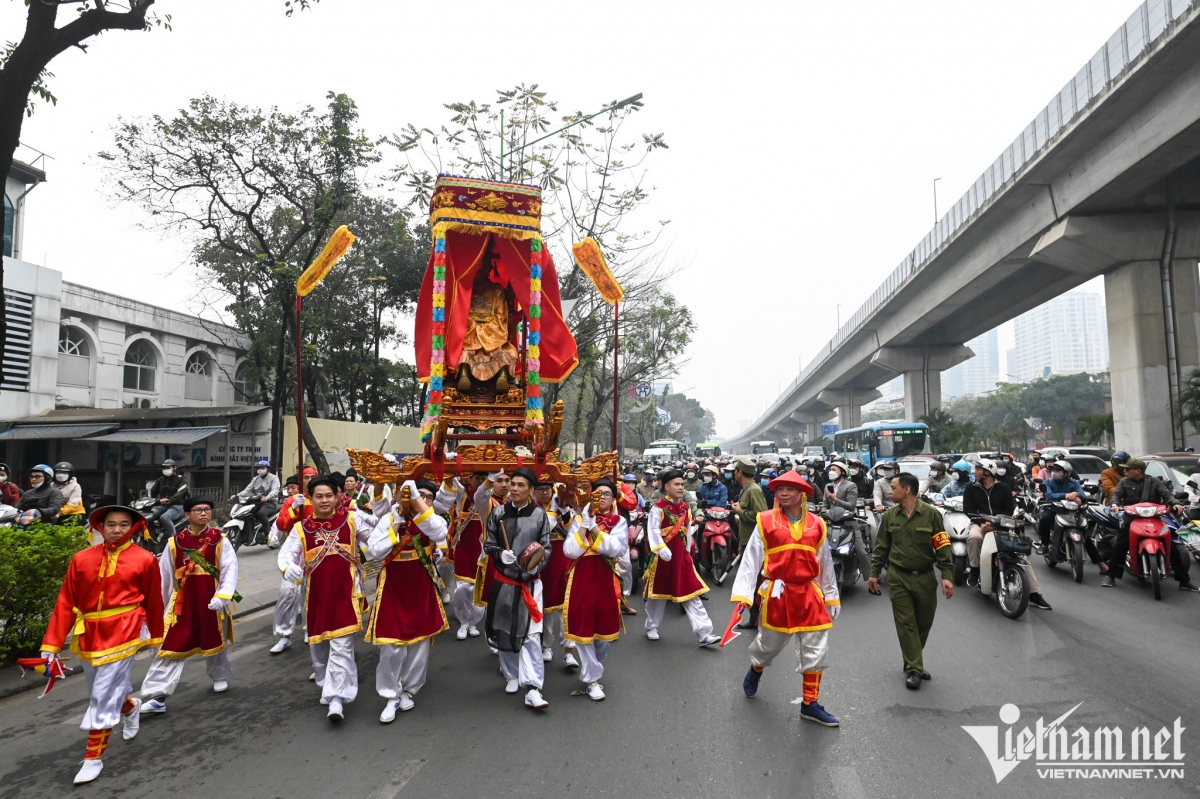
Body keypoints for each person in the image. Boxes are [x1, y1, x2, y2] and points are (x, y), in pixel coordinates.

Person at [38, 504, 164, 784]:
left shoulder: (145, 559)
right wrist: (52, 644)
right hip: (88, 634)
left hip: (124, 629)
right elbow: (66, 602)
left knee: (102, 694)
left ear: (132, 527)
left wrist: (157, 637)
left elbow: (154, 601)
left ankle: (93, 757)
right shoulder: (81, 558)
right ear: (100, 527)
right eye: (111, 524)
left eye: (123, 524)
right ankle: (130, 708)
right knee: (102, 688)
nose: (116, 529)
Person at [733, 471, 840, 726]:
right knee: (768, 645)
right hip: (777, 593)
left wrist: (831, 596)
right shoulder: (766, 521)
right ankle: (756, 669)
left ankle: (809, 704)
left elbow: (824, 562)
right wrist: (743, 596)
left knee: (816, 648)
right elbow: (751, 560)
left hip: (809, 593)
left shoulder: (817, 524)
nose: (783, 493)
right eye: (780, 489)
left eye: (790, 489)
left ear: (801, 493)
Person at [277, 476, 379, 720]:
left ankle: (337, 699)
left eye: (329, 495)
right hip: (316, 597)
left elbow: (376, 542)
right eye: (319, 496)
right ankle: (326, 682)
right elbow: (286, 554)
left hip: (346, 594)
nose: (324, 500)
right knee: (319, 647)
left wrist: (392, 520)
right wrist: (287, 567)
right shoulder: (302, 527)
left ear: (338, 497)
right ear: (311, 499)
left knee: (342, 647)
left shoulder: (352, 519)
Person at [139, 497, 238, 714]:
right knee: (171, 644)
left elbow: (230, 569)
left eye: (207, 509)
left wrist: (223, 595)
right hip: (182, 603)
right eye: (198, 510)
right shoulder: (175, 542)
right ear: (186, 515)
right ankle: (158, 695)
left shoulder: (220, 539)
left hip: (211, 598)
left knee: (214, 639)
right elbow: (165, 575)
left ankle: (219, 675)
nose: (203, 514)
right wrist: (159, 608)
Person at [365, 479, 448, 721]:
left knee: (419, 644)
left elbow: (440, 532)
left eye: (426, 495)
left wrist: (420, 504)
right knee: (391, 645)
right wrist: (398, 520)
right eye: (413, 493)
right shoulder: (391, 517)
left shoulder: (431, 517)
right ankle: (391, 694)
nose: (419, 498)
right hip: (392, 586)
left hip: (421, 587)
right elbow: (375, 551)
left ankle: (409, 690)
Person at [867, 473, 954, 690]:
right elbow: (881, 548)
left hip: (925, 578)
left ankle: (911, 659)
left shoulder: (931, 515)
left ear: (907, 489)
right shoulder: (889, 517)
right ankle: (915, 669)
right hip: (898, 577)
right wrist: (875, 573)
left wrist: (947, 576)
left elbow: (942, 546)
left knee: (923, 624)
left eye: (893, 487)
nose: (889, 491)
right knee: (906, 625)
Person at [482, 467, 553, 710]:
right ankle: (511, 674)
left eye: (521, 485)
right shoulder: (498, 514)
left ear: (531, 490)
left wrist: (532, 567)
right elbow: (489, 544)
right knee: (505, 630)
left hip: (531, 584)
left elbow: (546, 548)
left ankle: (533, 687)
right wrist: (500, 553)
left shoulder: (540, 515)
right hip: (504, 582)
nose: (514, 488)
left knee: (532, 635)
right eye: (513, 483)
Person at [563, 478, 628, 701]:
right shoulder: (578, 519)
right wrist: (584, 524)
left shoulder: (618, 521)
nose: (601, 498)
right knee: (583, 632)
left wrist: (593, 528)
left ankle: (594, 668)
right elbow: (570, 551)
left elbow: (616, 549)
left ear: (613, 499)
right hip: (581, 578)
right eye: (597, 493)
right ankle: (592, 679)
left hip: (606, 580)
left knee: (604, 634)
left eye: (607, 494)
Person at [643, 469, 720, 646]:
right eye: (676, 484)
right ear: (666, 486)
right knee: (657, 595)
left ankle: (704, 633)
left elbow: (687, 531)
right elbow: (653, 529)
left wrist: (687, 552)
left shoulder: (686, 507)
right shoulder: (658, 507)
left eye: (682, 485)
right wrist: (660, 547)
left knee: (692, 592)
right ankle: (651, 626)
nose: (680, 488)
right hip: (661, 557)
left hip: (681, 557)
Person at [963, 458, 1051, 610]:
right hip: (979, 523)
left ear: (987, 472)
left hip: (1001, 525)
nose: (975, 472)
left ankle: (1034, 594)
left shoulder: (1003, 488)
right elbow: (968, 509)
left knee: (1022, 555)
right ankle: (975, 570)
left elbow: (1008, 510)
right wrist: (981, 523)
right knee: (974, 537)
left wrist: (995, 523)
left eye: (978, 469)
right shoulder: (971, 488)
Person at [1102, 458, 1198, 591]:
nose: (1125, 471)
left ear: (1137, 471)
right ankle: (1110, 576)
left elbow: (1167, 494)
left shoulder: (1154, 481)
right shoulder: (1124, 482)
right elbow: (1116, 495)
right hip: (1133, 518)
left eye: (1127, 469)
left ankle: (1184, 581)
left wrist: (1175, 503)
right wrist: (1115, 505)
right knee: (1121, 545)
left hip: (1154, 518)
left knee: (1173, 547)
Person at [267, 466, 318, 654]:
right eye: (306, 477)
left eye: (313, 477)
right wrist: (294, 508)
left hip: (316, 551)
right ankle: (284, 635)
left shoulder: (321, 499)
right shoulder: (291, 501)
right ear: (300, 480)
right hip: (294, 552)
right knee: (288, 592)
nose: (309, 480)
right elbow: (281, 525)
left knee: (311, 594)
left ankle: (309, 629)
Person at [433, 472, 489, 640]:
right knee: (463, 586)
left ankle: (474, 621)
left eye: (482, 478)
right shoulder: (462, 492)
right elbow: (450, 486)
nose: (480, 481)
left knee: (478, 586)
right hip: (463, 545)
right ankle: (464, 620)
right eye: (477, 477)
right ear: (469, 479)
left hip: (482, 545)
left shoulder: (490, 495)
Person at [534, 478, 570, 665]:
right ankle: (546, 645)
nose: (544, 492)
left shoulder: (562, 505)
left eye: (547, 489)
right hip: (541, 558)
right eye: (540, 489)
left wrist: (562, 508)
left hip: (562, 556)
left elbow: (571, 527)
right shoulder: (529, 508)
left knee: (567, 602)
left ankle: (569, 649)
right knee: (546, 604)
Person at [1036, 460, 1084, 553]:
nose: (1054, 473)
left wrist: (1076, 493)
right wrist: (1067, 495)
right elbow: (1049, 495)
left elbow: (1082, 494)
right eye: (1054, 470)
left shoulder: (1074, 482)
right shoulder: (1047, 482)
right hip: (1053, 509)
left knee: (1083, 524)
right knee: (1044, 519)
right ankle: (1044, 544)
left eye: (1058, 471)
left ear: (1066, 473)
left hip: (1070, 510)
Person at [231, 459, 281, 546]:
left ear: (267, 469)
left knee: (261, 514)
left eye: (262, 468)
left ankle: (267, 534)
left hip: (270, 502)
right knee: (247, 512)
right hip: (257, 501)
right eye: (259, 468)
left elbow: (275, 490)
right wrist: (237, 496)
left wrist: (267, 497)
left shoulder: (274, 478)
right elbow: (248, 490)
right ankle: (250, 531)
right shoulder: (255, 479)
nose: (260, 469)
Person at [145, 460, 189, 542]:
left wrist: (170, 500)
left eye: (168, 467)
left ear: (175, 468)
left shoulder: (182, 479)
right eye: (164, 468)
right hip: (162, 506)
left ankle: (174, 539)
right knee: (147, 517)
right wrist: (140, 501)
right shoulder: (161, 480)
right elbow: (150, 493)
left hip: (177, 506)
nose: (165, 469)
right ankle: (153, 540)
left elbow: (181, 492)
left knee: (164, 517)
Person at [731, 457, 766, 552]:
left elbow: (761, 516)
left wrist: (739, 511)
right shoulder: (745, 489)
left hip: (754, 542)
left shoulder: (754, 490)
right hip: (747, 540)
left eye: (735, 470)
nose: (734, 473)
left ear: (740, 473)